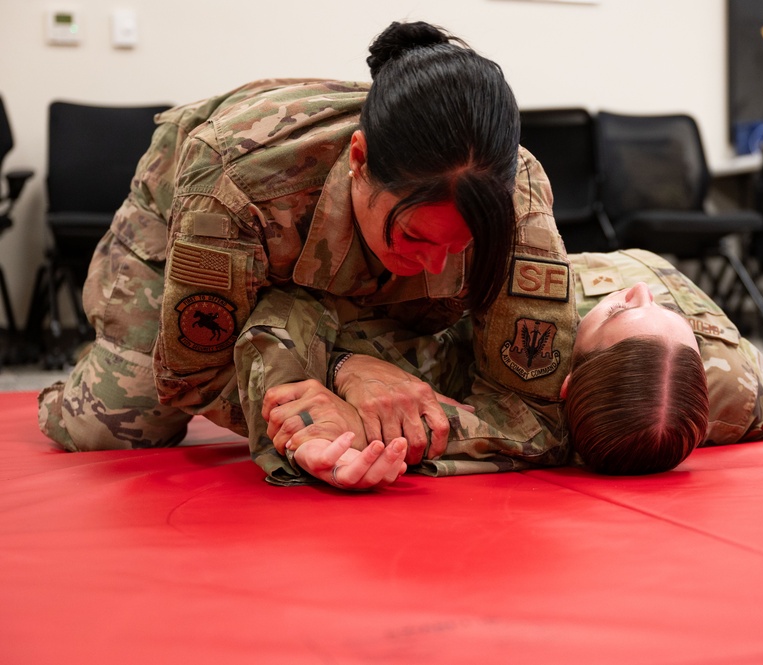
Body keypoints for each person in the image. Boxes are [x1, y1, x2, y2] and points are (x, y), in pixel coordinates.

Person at [37, 21, 578, 488]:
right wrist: (342, 370)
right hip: (184, 227)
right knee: (117, 425)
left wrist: (355, 424)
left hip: (314, 269)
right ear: (359, 161)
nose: (438, 267)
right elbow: (195, 375)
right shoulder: (235, 174)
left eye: (461, 248)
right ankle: (111, 345)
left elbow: (531, 411)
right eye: (415, 238)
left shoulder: (515, 199)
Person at [266, 248, 763, 488]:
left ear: (565, 383)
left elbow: (411, 420)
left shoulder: (520, 393)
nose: (643, 294)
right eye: (664, 320)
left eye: (622, 314)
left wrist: (325, 430)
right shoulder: (741, 392)